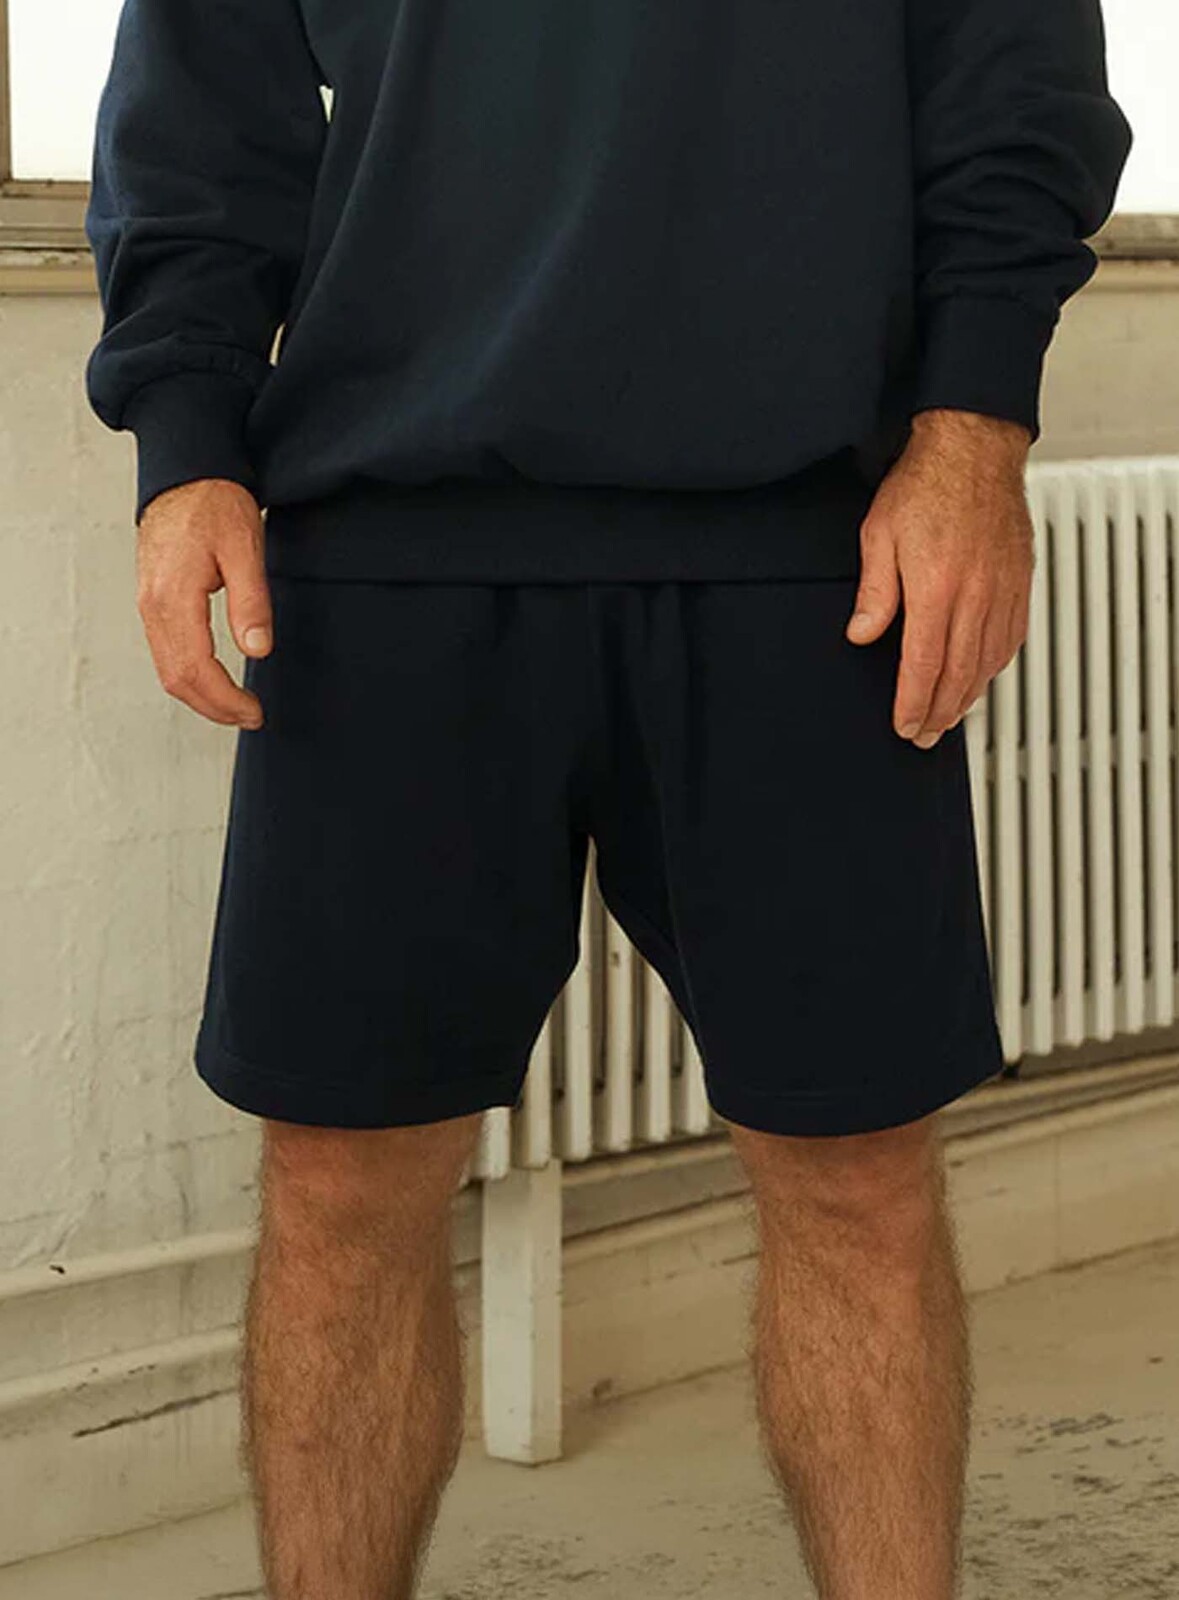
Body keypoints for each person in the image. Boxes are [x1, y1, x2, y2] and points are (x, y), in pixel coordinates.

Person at [82, 1, 1130, 1595]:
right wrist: (187, 443)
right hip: (390, 545)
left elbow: (1013, 69)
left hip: (807, 551)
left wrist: (974, 430)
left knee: (857, 1177)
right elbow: (196, 98)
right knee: (344, 1182)